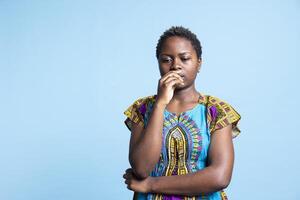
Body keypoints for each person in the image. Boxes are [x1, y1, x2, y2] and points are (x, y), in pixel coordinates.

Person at [122, 26, 241, 200]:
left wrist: (150, 184)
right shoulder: (142, 108)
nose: (175, 66)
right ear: (158, 63)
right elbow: (141, 168)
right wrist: (160, 104)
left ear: (199, 63)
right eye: (166, 60)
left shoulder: (216, 111)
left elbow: (220, 177)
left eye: (184, 58)